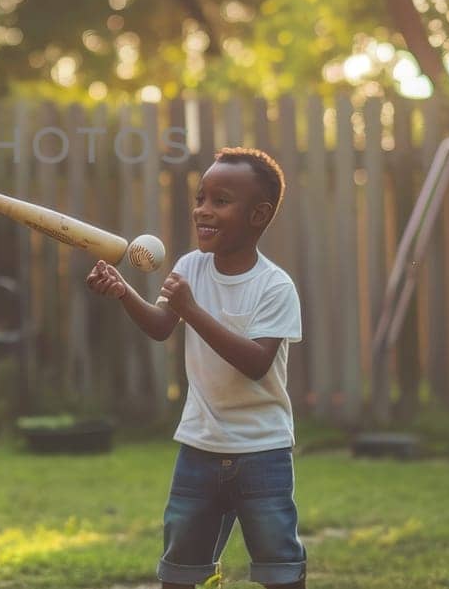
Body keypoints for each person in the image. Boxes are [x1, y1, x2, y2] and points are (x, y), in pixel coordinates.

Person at [85, 147, 305, 589]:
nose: (203, 210)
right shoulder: (191, 268)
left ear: (258, 215)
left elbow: (256, 363)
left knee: (278, 567)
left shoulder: (275, 286)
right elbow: (163, 326)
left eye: (221, 201)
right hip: (198, 447)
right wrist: (124, 291)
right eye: (201, 198)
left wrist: (193, 309)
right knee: (180, 569)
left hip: (263, 451)